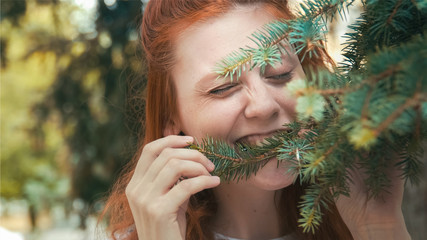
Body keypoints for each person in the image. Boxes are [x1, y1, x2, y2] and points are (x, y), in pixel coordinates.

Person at [101, 0, 411, 239]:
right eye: (223, 88)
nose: (263, 106)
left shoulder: (358, 220)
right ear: (172, 118)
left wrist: (378, 227)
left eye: (280, 74)